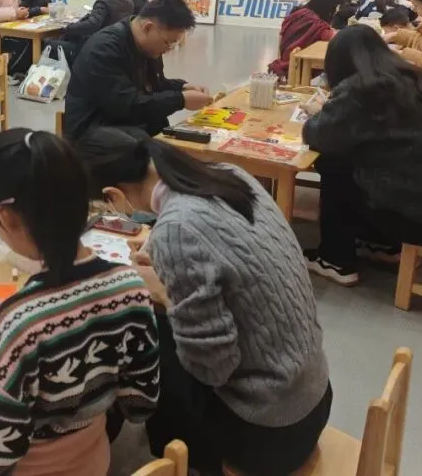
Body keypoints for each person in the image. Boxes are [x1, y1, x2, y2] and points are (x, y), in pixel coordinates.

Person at [76, 127, 331, 476]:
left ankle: (173, 460)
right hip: (311, 392)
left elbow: (212, 369)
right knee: (158, 325)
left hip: (269, 430)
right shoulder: (229, 175)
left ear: (113, 195)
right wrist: (172, 275)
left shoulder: (177, 228)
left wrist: (166, 295)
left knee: (143, 334)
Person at [0, 128, 160, 476]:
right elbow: (140, 403)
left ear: (3, 217)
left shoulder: (17, 323)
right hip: (92, 461)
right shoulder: (130, 286)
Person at [301, 26, 422, 285]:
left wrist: (318, 112)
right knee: (379, 163)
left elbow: (318, 135)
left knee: (334, 161)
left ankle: (335, 259)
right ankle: (384, 244)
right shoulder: (410, 78)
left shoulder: (362, 89)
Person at [63, 0, 213, 141]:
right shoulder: (103, 49)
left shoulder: (149, 47)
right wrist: (180, 100)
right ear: (148, 28)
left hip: (124, 123)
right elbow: (126, 105)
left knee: (169, 132)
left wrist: (182, 87)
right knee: (147, 144)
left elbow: (153, 85)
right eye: (168, 42)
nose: (169, 49)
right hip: (94, 129)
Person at [53, 0, 134, 62]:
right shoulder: (128, 1)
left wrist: (67, 28)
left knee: (49, 44)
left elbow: (92, 25)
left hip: (95, 48)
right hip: (114, 47)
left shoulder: (104, 2)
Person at [267, 0, 337, 78]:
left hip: (285, 59)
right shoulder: (316, 22)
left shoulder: (299, 12)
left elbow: (282, 32)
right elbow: (331, 37)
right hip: (300, 66)